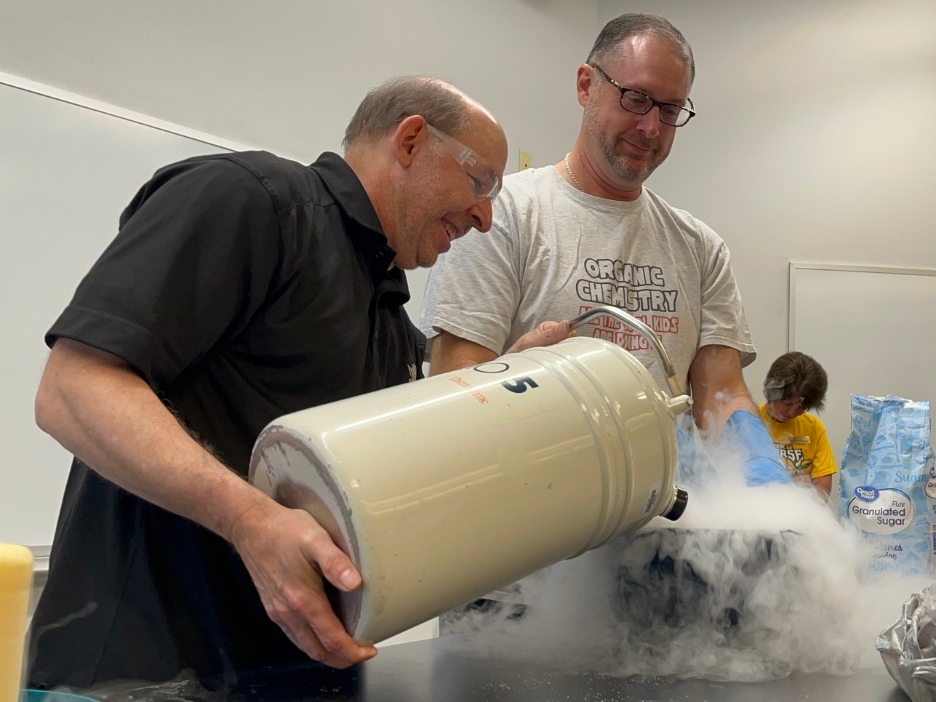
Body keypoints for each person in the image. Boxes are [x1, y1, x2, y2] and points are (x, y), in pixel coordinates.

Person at [27, 75, 571, 690]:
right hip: (138, 675)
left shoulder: (388, 318)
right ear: (412, 140)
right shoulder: (250, 201)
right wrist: (251, 521)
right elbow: (73, 388)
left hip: (276, 675)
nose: (485, 217)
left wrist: (514, 382)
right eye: (480, 183)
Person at [419, 13, 788, 486]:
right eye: (636, 99)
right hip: (538, 528)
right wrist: (513, 379)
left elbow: (721, 395)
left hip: (666, 525)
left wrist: (763, 475)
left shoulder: (699, 248)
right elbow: (452, 391)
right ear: (586, 85)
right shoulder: (501, 216)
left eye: (670, 111)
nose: (652, 127)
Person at [758, 351, 838, 496]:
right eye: (787, 403)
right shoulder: (751, 422)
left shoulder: (813, 428)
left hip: (800, 513)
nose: (792, 413)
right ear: (771, 392)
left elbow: (823, 489)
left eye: (801, 407)